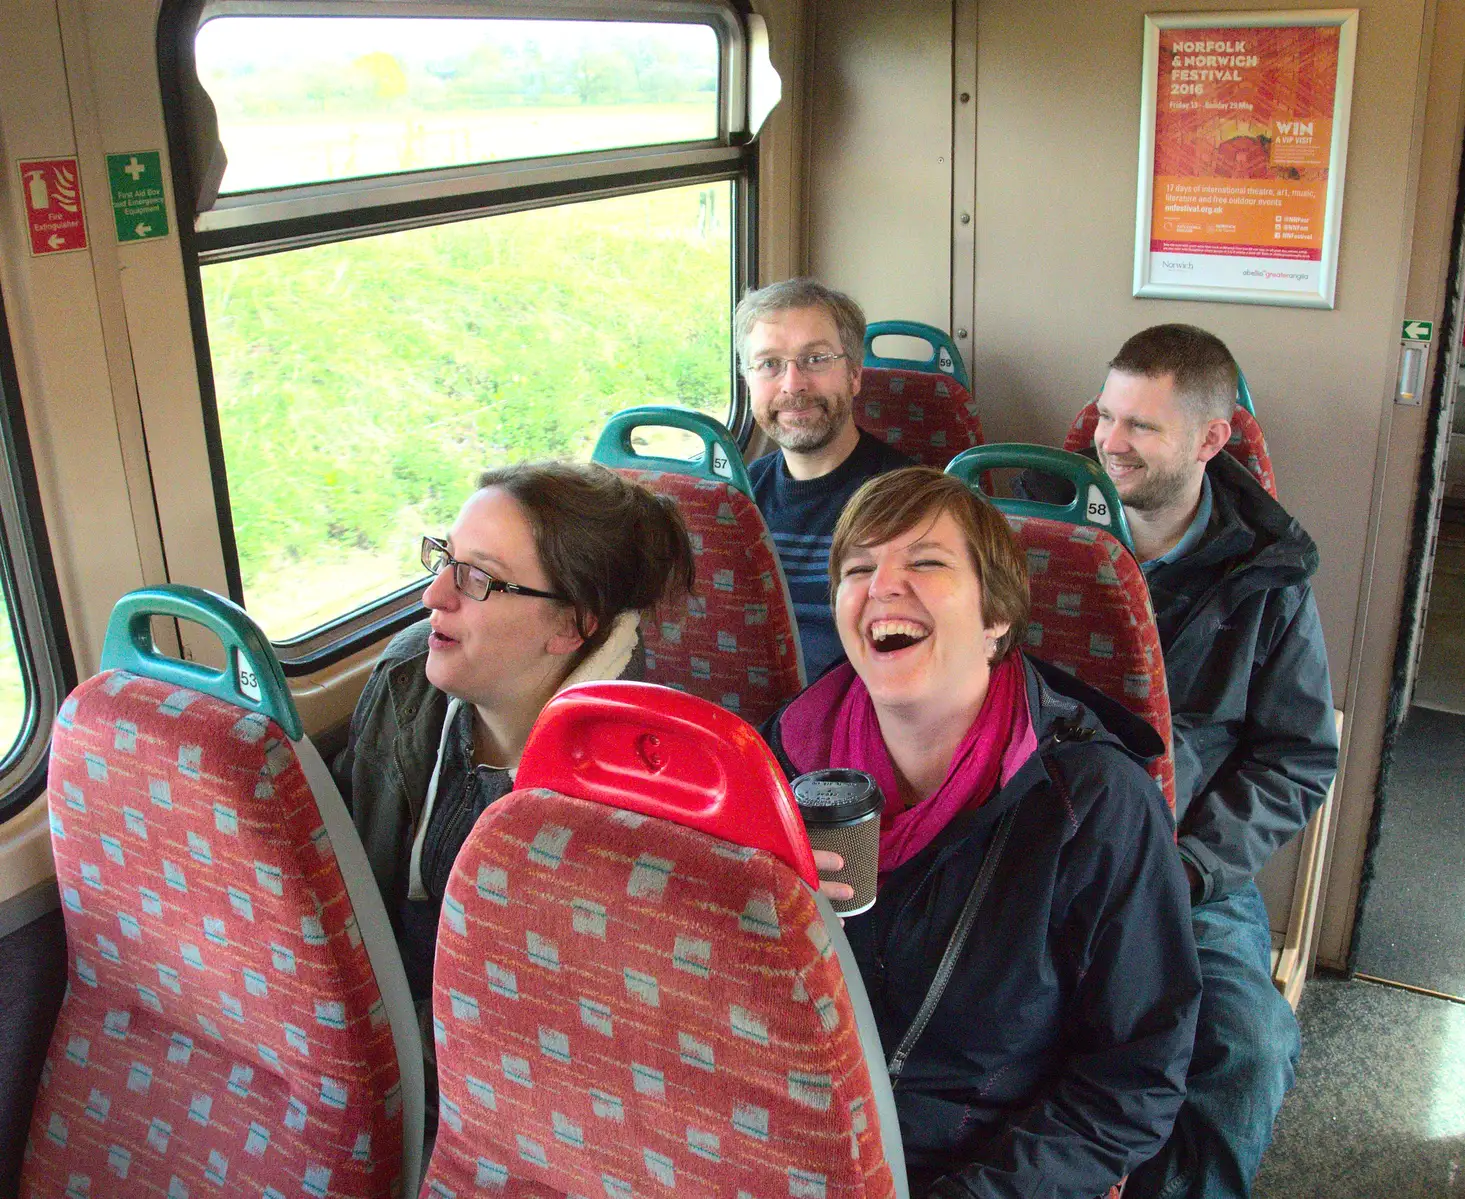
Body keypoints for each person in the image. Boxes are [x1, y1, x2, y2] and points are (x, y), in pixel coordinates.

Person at [761, 466, 1201, 1199]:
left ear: (996, 618)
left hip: (980, 1172)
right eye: (858, 568)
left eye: (925, 562)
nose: (880, 586)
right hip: (789, 1145)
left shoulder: (1092, 803)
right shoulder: (780, 760)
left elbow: (1135, 1075)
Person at [1027, 325, 1339, 1199]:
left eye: (1141, 428)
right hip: (1040, 837)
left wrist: (1194, 867)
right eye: (1108, 416)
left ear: (1211, 440)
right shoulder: (1042, 542)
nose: (1108, 442)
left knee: (1246, 1046)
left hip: (1183, 863)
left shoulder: (1266, 580)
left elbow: (1297, 756)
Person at [332, 461, 694, 1008]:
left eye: (477, 578)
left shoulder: (637, 797)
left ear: (571, 625)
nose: (434, 596)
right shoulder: (405, 680)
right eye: (446, 557)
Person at [737, 277, 911, 680]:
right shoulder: (735, 502)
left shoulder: (910, 503)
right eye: (769, 364)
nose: (793, 384)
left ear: (854, 374)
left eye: (815, 359)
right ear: (748, 382)